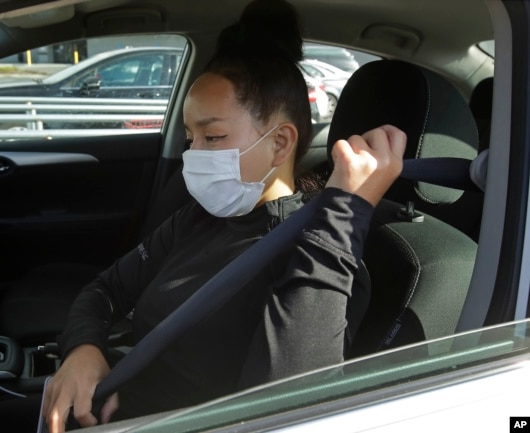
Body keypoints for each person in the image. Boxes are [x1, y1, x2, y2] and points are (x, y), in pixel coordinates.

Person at [40, 0, 406, 432]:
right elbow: (105, 290)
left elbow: (283, 407)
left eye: (213, 136)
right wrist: (85, 350)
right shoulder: (196, 219)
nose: (193, 155)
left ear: (281, 143)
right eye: (190, 137)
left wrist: (345, 212)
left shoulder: (320, 250)